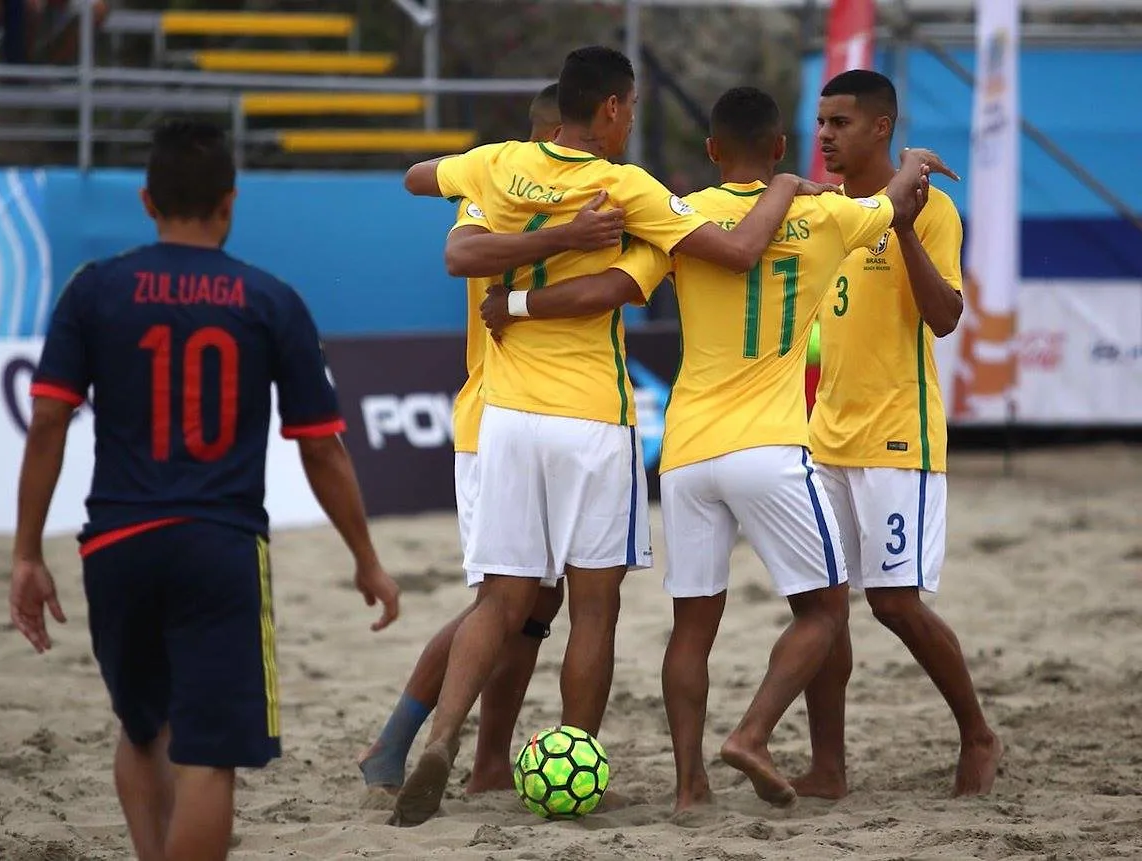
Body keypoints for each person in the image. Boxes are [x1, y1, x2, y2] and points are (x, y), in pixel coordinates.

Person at [391, 45, 834, 827]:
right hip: (592, 416)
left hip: (507, 418)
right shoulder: (627, 189)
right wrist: (789, 186)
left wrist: (481, 190)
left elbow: (418, 179)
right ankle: (574, 762)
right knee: (594, 609)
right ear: (611, 109)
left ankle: (445, 737)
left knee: (499, 598)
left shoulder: (496, 163)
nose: (630, 121)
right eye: (628, 108)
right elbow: (734, 249)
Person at [479, 87, 946, 810]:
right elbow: (896, 199)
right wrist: (914, 158)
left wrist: (514, 304)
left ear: (710, 151)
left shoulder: (682, 215)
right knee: (824, 612)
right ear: (782, 149)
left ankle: (689, 786)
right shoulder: (822, 211)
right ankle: (753, 732)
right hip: (771, 445)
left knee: (691, 626)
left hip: (690, 451)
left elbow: (607, 289)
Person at [8, 119, 400, 861]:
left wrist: (26, 552)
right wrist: (365, 556)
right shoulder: (270, 299)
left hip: (117, 541)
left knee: (141, 728)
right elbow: (321, 448)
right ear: (230, 202)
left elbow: (48, 423)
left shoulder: (94, 291)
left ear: (147, 199)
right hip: (220, 546)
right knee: (207, 755)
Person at [359, 84, 626, 798]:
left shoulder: (486, 178)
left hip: (496, 414)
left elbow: (417, 175)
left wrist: (468, 164)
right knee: (504, 602)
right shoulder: (584, 192)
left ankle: (483, 763)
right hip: (508, 410)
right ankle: (398, 740)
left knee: (529, 606)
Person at [795, 69, 1003, 800]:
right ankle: (828, 766)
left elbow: (946, 317)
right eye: (821, 121)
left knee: (894, 602)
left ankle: (977, 731)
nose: (825, 134)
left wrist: (904, 225)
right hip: (823, 436)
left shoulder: (934, 209)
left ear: (881, 128)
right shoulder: (819, 211)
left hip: (897, 435)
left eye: (840, 122)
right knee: (821, 607)